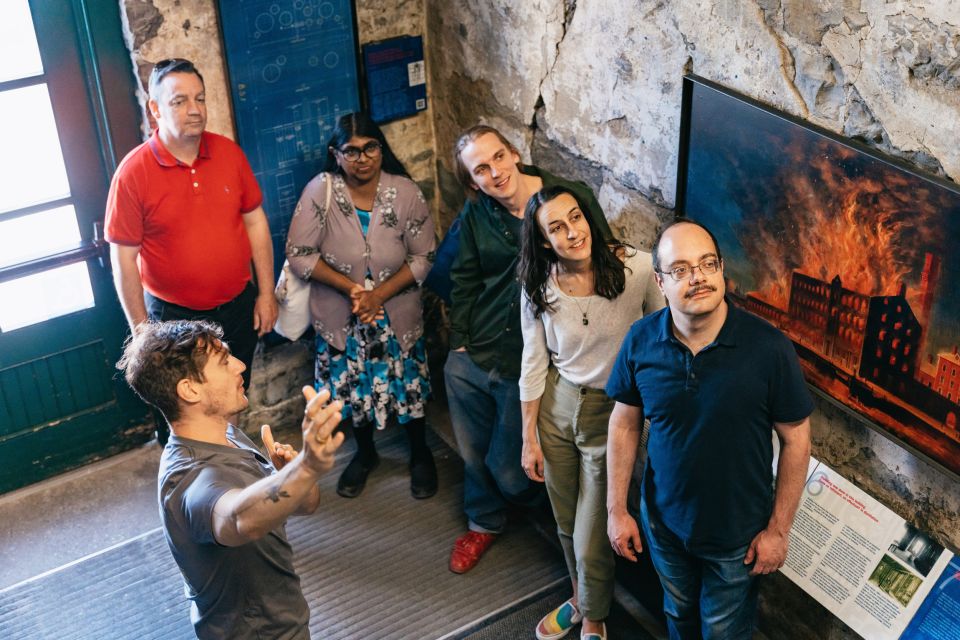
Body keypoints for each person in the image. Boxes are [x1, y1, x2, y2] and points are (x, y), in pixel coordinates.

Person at [605, 219, 813, 639]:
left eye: (706, 264)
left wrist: (777, 531)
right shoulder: (642, 340)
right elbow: (624, 423)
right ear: (660, 283)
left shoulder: (769, 348)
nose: (697, 277)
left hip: (738, 536)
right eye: (680, 269)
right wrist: (617, 511)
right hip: (664, 524)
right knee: (678, 613)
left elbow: (796, 440)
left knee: (723, 630)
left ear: (721, 270)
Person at [444, 125, 616, 574]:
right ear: (472, 181)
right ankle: (484, 520)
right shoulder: (478, 212)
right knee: (471, 451)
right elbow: (463, 277)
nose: (495, 172)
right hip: (475, 351)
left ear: (514, 152)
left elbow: (605, 264)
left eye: (498, 157)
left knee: (510, 469)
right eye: (481, 169)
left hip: (530, 361)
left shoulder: (564, 201)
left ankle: (538, 512)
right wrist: (458, 339)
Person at [116, 319, 344, 639]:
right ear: (190, 389)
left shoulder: (226, 433)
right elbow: (239, 520)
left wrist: (293, 476)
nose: (239, 365)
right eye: (224, 361)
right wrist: (305, 468)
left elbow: (305, 506)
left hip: (284, 621)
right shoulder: (189, 479)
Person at [517, 186, 664, 640]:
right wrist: (529, 437)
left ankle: (596, 616)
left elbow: (664, 334)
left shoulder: (637, 269)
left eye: (575, 218)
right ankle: (581, 598)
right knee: (564, 521)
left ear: (588, 218)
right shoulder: (538, 286)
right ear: (544, 240)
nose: (571, 232)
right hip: (557, 406)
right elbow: (533, 361)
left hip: (613, 410)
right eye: (555, 227)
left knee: (591, 531)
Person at [105, 58, 277, 437]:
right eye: (180, 101)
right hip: (173, 320)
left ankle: (232, 482)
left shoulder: (228, 153)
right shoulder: (133, 173)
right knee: (182, 419)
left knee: (230, 400)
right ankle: (186, 493)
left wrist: (266, 293)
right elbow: (123, 259)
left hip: (236, 308)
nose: (195, 109)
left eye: (199, 98)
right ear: (155, 109)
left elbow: (256, 223)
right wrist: (142, 333)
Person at [286, 112, 437, 499]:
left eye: (370, 148)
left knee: (408, 383)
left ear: (381, 149)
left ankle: (420, 454)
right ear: (335, 155)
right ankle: (365, 454)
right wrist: (351, 289)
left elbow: (424, 256)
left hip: (396, 315)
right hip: (341, 315)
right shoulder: (320, 191)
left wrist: (378, 295)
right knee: (353, 390)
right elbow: (299, 253)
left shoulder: (405, 192)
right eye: (350, 151)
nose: (362, 158)